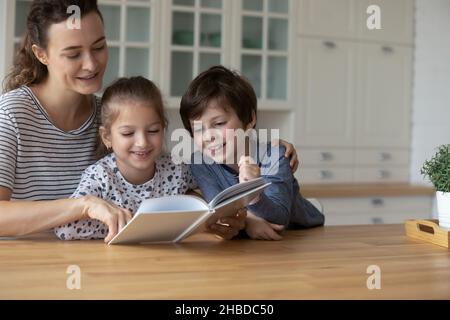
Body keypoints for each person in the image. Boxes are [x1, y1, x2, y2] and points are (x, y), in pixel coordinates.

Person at [0, 0, 298, 242]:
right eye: (73, 53)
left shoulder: (112, 116)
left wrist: (259, 148)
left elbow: (171, 178)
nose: (91, 64)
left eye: (99, 46)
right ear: (41, 54)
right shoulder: (11, 114)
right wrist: (84, 205)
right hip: (29, 263)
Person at [54, 76, 244, 241]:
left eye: (153, 131)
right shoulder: (99, 177)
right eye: (128, 133)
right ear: (107, 137)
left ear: (163, 129)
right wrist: (128, 226)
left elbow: (215, 194)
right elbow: (65, 229)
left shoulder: (177, 168)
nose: (142, 142)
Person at [180, 65, 325, 240]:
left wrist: (254, 193)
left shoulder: (274, 155)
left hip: (299, 233)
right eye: (199, 129)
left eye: (219, 124)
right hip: (248, 240)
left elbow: (279, 218)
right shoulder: (200, 162)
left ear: (250, 118)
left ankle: (303, 204)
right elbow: (218, 209)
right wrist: (249, 221)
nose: (209, 136)